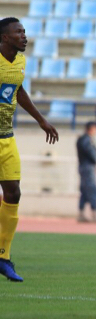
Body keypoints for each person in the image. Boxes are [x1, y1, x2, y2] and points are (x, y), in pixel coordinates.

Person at [0, 18, 60, 282]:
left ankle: (3, 257)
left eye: (24, 31)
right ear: (4, 37)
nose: (24, 36)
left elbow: (18, 90)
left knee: (13, 193)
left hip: (6, 137)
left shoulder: (20, 62)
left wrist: (41, 120)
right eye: (18, 32)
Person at [76, 121, 96, 223]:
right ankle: (95, 213)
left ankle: (81, 213)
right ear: (92, 128)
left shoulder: (82, 139)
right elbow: (91, 153)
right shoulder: (86, 140)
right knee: (92, 189)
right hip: (87, 167)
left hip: (85, 166)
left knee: (85, 190)